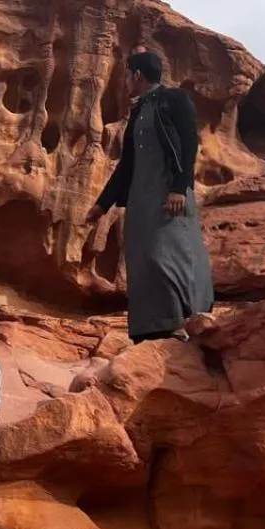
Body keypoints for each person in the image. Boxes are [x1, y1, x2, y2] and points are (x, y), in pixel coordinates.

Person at [87, 51, 214, 342]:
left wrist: (179, 188)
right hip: (140, 199)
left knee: (167, 255)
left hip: (168, 194)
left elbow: (188, 143)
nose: (125, 82)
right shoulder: (138, 111)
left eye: (127, 75)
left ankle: (184, 318)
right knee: (142, 259)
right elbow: (127, 164)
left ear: (137, 75)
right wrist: (102, 204)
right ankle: (153, 329)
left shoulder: (175, 99)